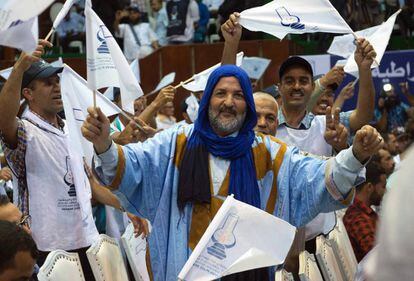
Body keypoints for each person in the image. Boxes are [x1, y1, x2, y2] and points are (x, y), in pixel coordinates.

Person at [82, 64, 383, 281]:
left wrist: (355, 156)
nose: (228, 102)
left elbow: (315, 178)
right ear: (207, 100)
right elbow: (131, 167)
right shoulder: (176, 142)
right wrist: (104, 143)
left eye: (238, 95)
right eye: (220, 93)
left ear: (247, 104)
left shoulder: (268, 153)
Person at [0, 41, 98, 280]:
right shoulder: (25, 131)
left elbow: (90, 185)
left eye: (57, 82)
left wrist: (126, 206)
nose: (56, 88)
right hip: (44, 248)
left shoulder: (71, 131)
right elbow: (3, 118)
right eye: (47, 83)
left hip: (85, 240)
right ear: (28, 93)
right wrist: (20, 67)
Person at [343, 162, 386, 262]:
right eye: (383, 187)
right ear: (369, 187)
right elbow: (378, 259)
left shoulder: (364, 213)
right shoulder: (358, 219)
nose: (385, 192)